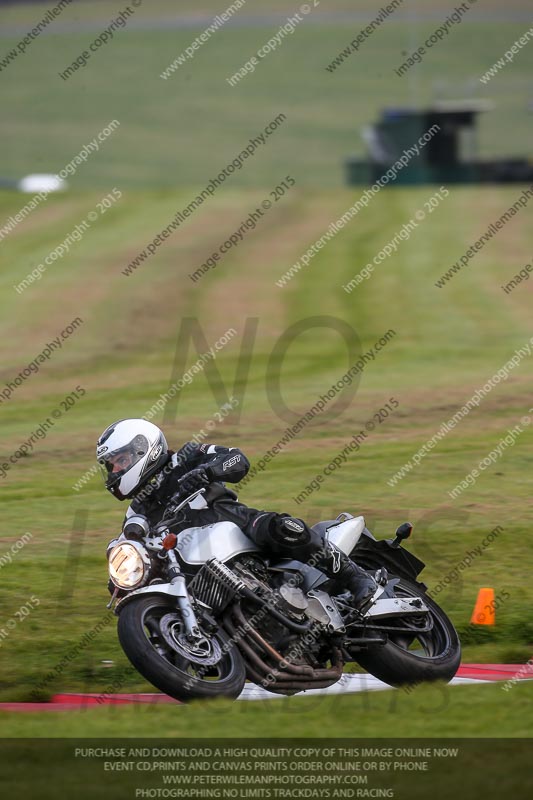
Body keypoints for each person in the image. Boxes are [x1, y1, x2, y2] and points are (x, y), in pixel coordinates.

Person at [97, 418, 379, 608]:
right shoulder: (138, 510)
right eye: (112, 466)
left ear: (142, 450)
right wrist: (119, 578)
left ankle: (356, 578)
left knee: (282, 528)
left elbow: (236, 458)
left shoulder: (185, 458)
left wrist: (207, 470)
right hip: (200, 569)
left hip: (236, 524)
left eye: (121, 461)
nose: (117, 471)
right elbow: (129, 550)